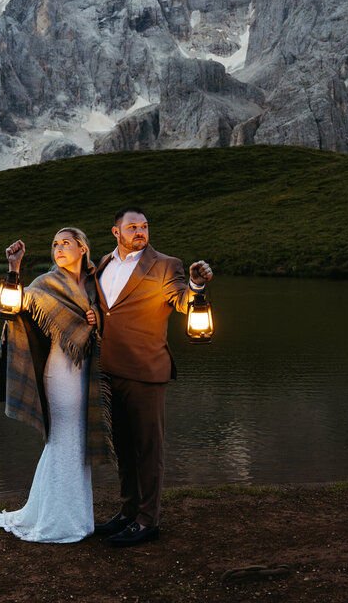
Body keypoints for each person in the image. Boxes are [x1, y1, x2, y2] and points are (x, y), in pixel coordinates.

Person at [0, 227, 111, 543]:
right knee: (63, 439)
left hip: (87, 374)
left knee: (76, 442)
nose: (59, 248)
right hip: (61, 374)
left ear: (83, 249)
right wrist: (14, 269)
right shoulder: (44, 285)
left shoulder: (96, 286)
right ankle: (58, 522)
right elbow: (10, 308)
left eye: (66, 243)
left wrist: (97, 316)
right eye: (54, 244)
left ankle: (74, 517)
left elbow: (111, 318)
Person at [93, 206, 213, 546]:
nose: (140, 231)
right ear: (116, 232)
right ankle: (128, 512)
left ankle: (148, 521)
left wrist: (196, 285)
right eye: (132, 227)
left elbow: (181, 299)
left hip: (146, 371)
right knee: (124, 448)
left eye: (144, 226)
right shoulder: (103, 262)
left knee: (148, 448)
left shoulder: (166, 265)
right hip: (108, 371)